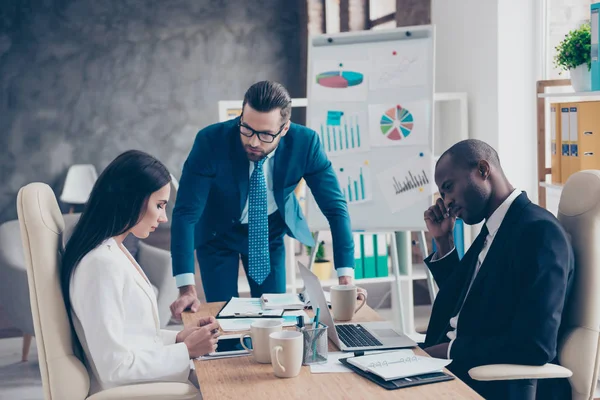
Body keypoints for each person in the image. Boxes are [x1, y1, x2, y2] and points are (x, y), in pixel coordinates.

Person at [170, 80, 362, 315]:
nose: (253, 141)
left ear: (284, 129)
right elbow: (185, 213)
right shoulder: (210, 141)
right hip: (217, 233)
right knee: (222, 319)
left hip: (268, 233)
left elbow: (335, 208)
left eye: (265, 135)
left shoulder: (305, 144)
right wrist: (185, 288)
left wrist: (346, 279)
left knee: (274, 319)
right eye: (247, 128)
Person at [421, 139, 573, 399]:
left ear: (482, 170)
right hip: (449, 365)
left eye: (448, 188)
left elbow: (535, 346)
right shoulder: (494, 228)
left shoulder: (539, 232)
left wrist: (449, 350)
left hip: (486, 382)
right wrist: (443, 241)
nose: (445, 202)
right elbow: (464, 301)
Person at [61, 150, 219, 396]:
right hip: (137, 391)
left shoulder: (113, 250)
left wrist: (179, 338)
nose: (164, 217)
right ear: (131, 199)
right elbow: (114, 368)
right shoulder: (100, 265)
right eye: (159, 205)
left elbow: (132, 337)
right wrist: (186, 350)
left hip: (148, 381)